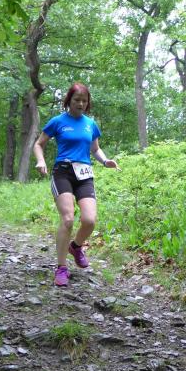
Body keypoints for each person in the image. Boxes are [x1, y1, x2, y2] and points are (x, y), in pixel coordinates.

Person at [33, 82, 119, 287]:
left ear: (88, 103)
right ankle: (61, 267)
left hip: (84, 174)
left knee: (89, 220)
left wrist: (105, 161)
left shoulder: (90, 124)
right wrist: (41, 160)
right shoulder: (58, 121)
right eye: (77, 100)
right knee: (68, 219)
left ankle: (76, 246)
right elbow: (39, 144)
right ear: (69, 101)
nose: (80, 104)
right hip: (62, 172)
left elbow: (95, 149)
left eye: (84, 101)